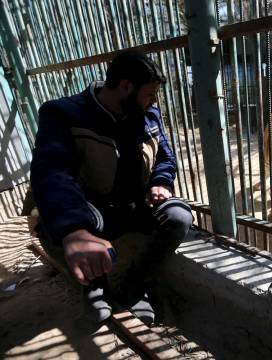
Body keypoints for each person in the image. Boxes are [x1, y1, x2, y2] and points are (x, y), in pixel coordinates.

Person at [30, 51, 193, 325]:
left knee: (180, 216)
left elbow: (165, 156)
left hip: (137, 204)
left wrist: (160, 182)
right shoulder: (62, 114)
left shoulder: (148, 113)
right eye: (151, 93)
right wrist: (75, 232)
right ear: (126, 87)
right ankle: (95, 284)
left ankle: (134, 284)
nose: (154, 101)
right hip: (93, 210)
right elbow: (52, 172)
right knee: (50, 226)